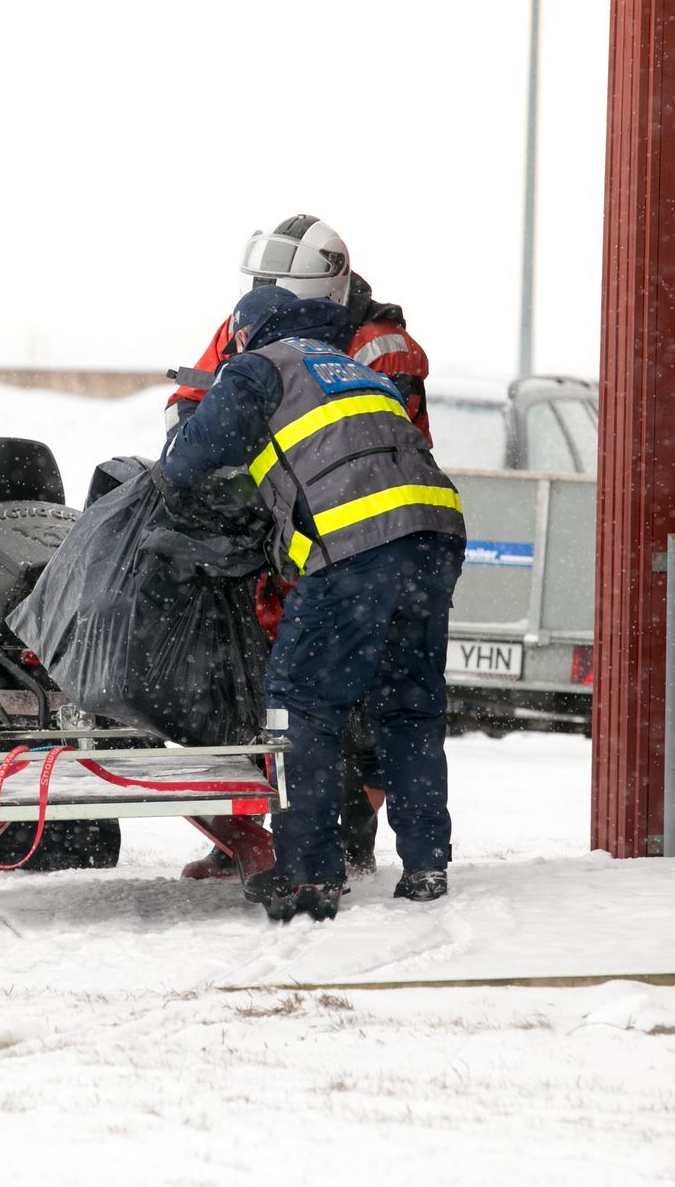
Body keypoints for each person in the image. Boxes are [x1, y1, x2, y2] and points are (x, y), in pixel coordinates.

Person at [157, 283, 465, 922]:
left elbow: (186, 464)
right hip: (434, 534)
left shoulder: (256, 368)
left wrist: (193, 416)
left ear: (246, 334)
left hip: (356, 541)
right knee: (408, 703)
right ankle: (426, 865)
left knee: (299, 703)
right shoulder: (353, 370)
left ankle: (309, 873)